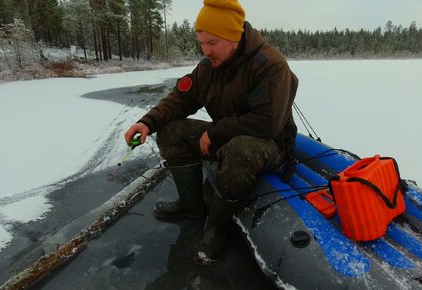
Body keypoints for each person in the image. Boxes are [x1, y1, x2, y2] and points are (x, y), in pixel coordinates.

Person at [124, 0, 298, 266]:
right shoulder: (208, 67)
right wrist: (147, 122)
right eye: (202, 43)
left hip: (271, 144)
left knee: (240, 148)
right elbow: (180, 99)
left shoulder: (271, 65)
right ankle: (191, 205)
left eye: (212, 43)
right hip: (228, 137)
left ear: (234, 36)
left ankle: (217, 225)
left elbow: (267, 123)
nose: (206, 51)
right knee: (171, 130)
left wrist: (215, 133)